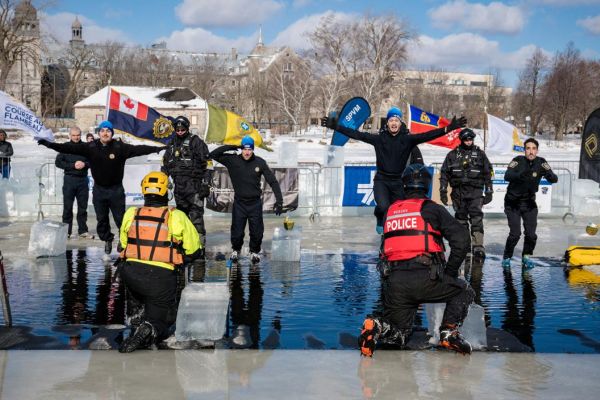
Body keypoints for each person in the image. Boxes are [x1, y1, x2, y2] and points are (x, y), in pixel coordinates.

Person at [358, 164, 474, 357]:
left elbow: (385, 248)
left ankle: (378, 327)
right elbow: (462, 240)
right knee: (464, 291)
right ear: (426, 186)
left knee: (399, 336)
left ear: (405, 186)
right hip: (426, 277)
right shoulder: (431, 209)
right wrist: (450, 273)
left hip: (395, 282)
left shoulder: (391, 211)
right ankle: (448, 331)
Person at [321, 107, 466, 233]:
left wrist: (449, 128)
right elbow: (357, 135)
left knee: (397, 211)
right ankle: (379, 216)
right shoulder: (379, 139)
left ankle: (391, 238)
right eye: (391, 120)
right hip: (382, 181)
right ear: (387, 123)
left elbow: (428, 135)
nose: (394, 123)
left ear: (400, 122)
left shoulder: (408, 139)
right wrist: (336, 127)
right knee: (384, 207)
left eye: (396, 120)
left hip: (398, 181)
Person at [38, 120, 165, 254]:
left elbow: (139, 149)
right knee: (102, 220)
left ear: (112, 133)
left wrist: (156, 149)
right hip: (99, 191)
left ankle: (124, 241)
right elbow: (67, 148)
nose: (105, 133)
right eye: (103, 131)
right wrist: (49, 144)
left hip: (116, 190)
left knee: (120, 219)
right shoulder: (91, 147)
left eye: (108, 131)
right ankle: (107, 239)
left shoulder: (119, 147)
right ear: (99, 133)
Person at [117, 171, 201, 353]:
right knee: (163, 319)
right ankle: (149, 329)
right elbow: (194, 250)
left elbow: (123, 245)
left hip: (130, 273)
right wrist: (179, 258)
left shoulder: (131, 213)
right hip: (160, 278)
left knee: (137, 306)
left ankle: (136, 322)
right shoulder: (176, 216)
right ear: (166, 192)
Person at [209, 135, 283, 263]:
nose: (247, 152)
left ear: (253, 149)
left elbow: (273, 181)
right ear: (241, 149)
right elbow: (213, 154)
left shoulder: (259, 162)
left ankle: (254, 252)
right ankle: (236, 250)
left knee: (257, 232)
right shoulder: (233, 160)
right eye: (244, 149)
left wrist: (280, 201)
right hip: (240, 204)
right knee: (237, 232)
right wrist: (233, 146)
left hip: (255, 203)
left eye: (250, 149)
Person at [501, 138, 558, 269]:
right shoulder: (518, 160)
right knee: (515, 234)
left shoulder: (541, 162)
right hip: (513, 203)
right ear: (524, 150)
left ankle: (526, 256)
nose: (531, 151)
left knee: (531, 235)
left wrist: (551, 177)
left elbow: (553, 176)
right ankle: (507, 257)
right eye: (528, 148)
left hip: (529, 203)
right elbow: (507, 175)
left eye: (533, 148)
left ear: (537, 150)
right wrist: (520, 175)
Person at [439, 128, 493, 263]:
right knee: (461, 220)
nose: (469, 142)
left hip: (475, 192)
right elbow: (444, 174)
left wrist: (489, 191)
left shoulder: (480, 155)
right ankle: (465, 246)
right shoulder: (452, 155)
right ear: (461, 140)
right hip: (458, 193)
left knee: (476, 219)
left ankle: (478, 246)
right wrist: (443, 191)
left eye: (470, 139)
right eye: (466, 139)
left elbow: (488, 173)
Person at [161, 115, 211, 252]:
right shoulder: (171, 144)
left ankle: (200, 249)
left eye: (183, 128)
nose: (180, 130)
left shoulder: (196, 142)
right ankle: (183, 248)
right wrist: (163, 182)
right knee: (181, 219)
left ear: (187, 128)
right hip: (179, 189)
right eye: (177, 128)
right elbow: (165, 165)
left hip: (194, 188)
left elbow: (208, 164)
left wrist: (205, 184)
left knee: (196, 219)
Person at [55, 127, 94, 239]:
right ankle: (66, 231)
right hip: (69, 180)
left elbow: (93, 160)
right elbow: (58, 162)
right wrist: (72, 165)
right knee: (68, 207)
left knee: (83, 207)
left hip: (82, 180)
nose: (76, 137)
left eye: (78, 135)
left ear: (80, 135)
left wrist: (85, 164)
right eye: (74, 135)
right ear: (70, 135)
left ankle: (83, 231)